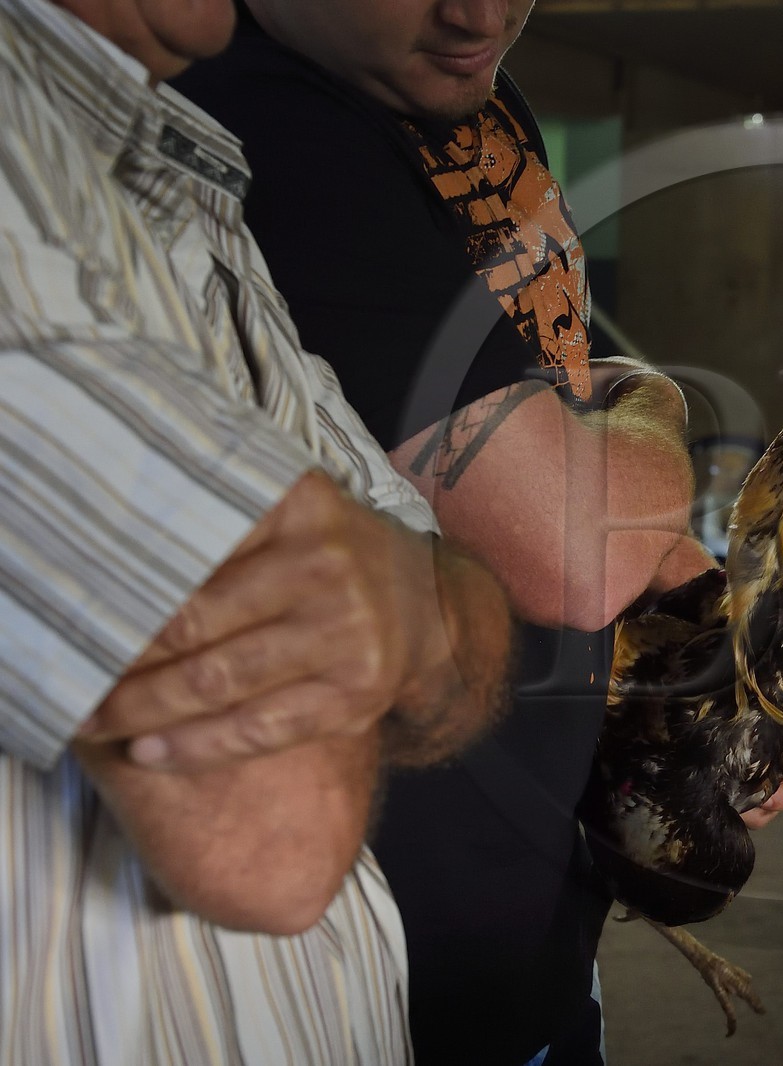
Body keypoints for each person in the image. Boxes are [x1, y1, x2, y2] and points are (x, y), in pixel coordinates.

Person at [173, 4, 783, 1062]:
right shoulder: (269, 127)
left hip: (522, 907)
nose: (477, 13)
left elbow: (558, 386)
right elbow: (578, 547)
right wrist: (655, 399)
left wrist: (717, 627)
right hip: (371, 956)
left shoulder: (447, 84)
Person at [0, 0, 518, 1059]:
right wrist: (417, 599)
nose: (477, 12)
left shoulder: (181, 168)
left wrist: (406, 594)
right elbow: (270, 839)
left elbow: (467, 616)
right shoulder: (19, 154)